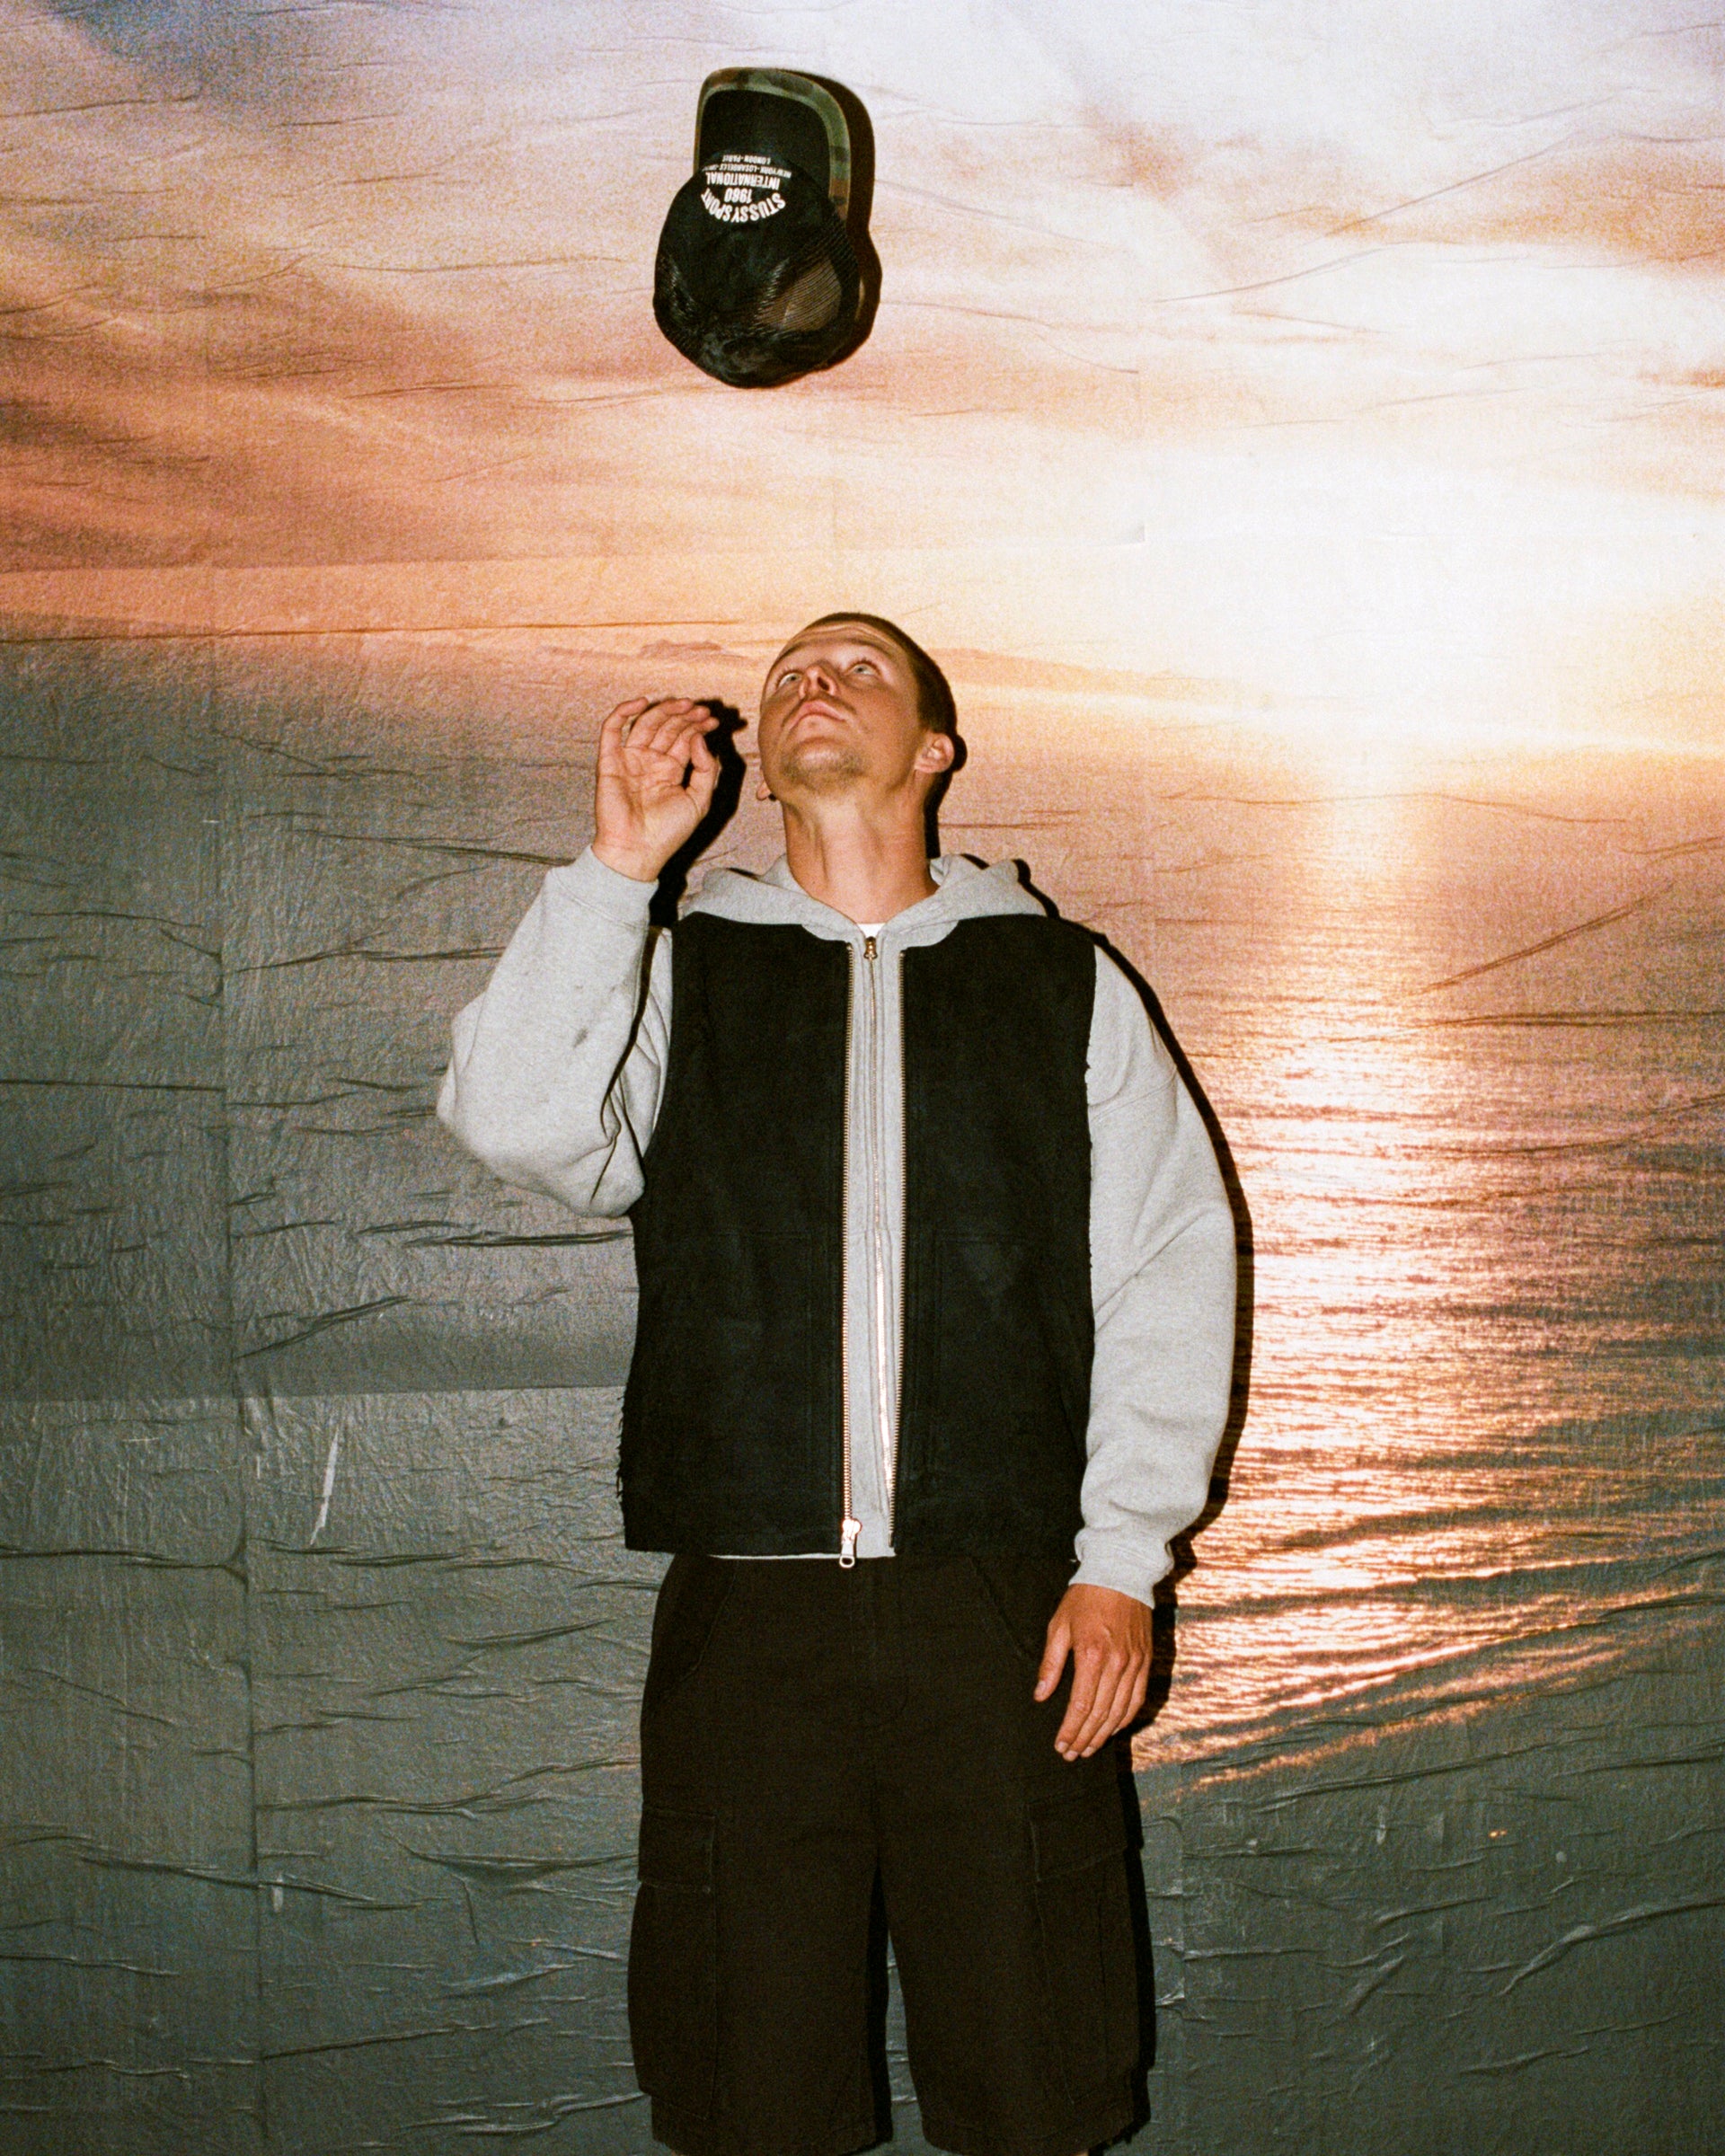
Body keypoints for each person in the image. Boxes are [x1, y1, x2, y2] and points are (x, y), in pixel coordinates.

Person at [437, 614, 1236, 2156]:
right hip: (751, 1617)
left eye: (863, 665)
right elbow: (518, 1121)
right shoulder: (682, 972)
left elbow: (1166, 1269)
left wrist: (1122, 1563)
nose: (817, 677)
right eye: (793, 667)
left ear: (935, 749)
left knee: (1035, 2076)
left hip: (1004, 1614)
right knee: (752, 2088)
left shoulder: (1057, 981)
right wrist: (615, 872)